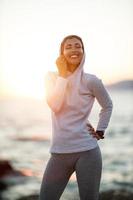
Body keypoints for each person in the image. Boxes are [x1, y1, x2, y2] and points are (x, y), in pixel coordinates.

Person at [39, 35, 113, 200]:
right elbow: (55, 105)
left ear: (83, 51)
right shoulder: (51, 77)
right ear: (62, 53)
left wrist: (100, 130)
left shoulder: (91, 81)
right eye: (69, 47)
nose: (74, 49)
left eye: (78, 46)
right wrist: (63, 76)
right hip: (59, 152)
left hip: (88, 152)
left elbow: (107, 105)